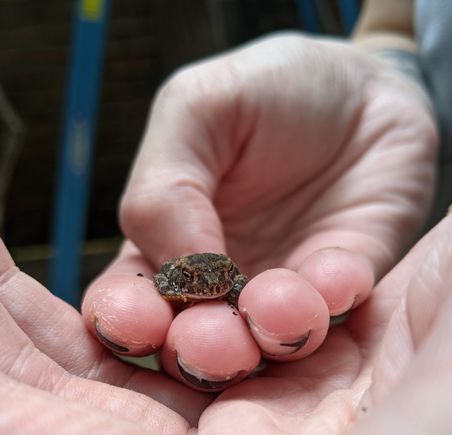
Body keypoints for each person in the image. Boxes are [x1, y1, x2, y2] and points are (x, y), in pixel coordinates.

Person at [1, 0, 452, 432]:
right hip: (414, 132)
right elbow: (397, 22)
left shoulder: (227, 280)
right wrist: (391, 67)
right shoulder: (181, 276)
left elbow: (227, 280)